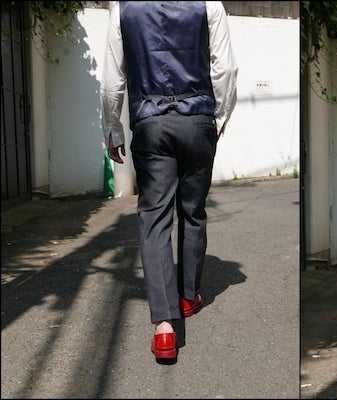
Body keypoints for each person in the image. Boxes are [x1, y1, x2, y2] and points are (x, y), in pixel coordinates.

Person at [100, 1, 237, 361]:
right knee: (193, 210)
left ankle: (164, 327)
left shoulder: (123, 7)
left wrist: (112, 127)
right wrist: (220, 115)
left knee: (154, 218)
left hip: (150, 122)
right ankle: (188, 297)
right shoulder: (209, 4)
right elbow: (225, 68)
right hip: (197, 119)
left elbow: (112, 78)